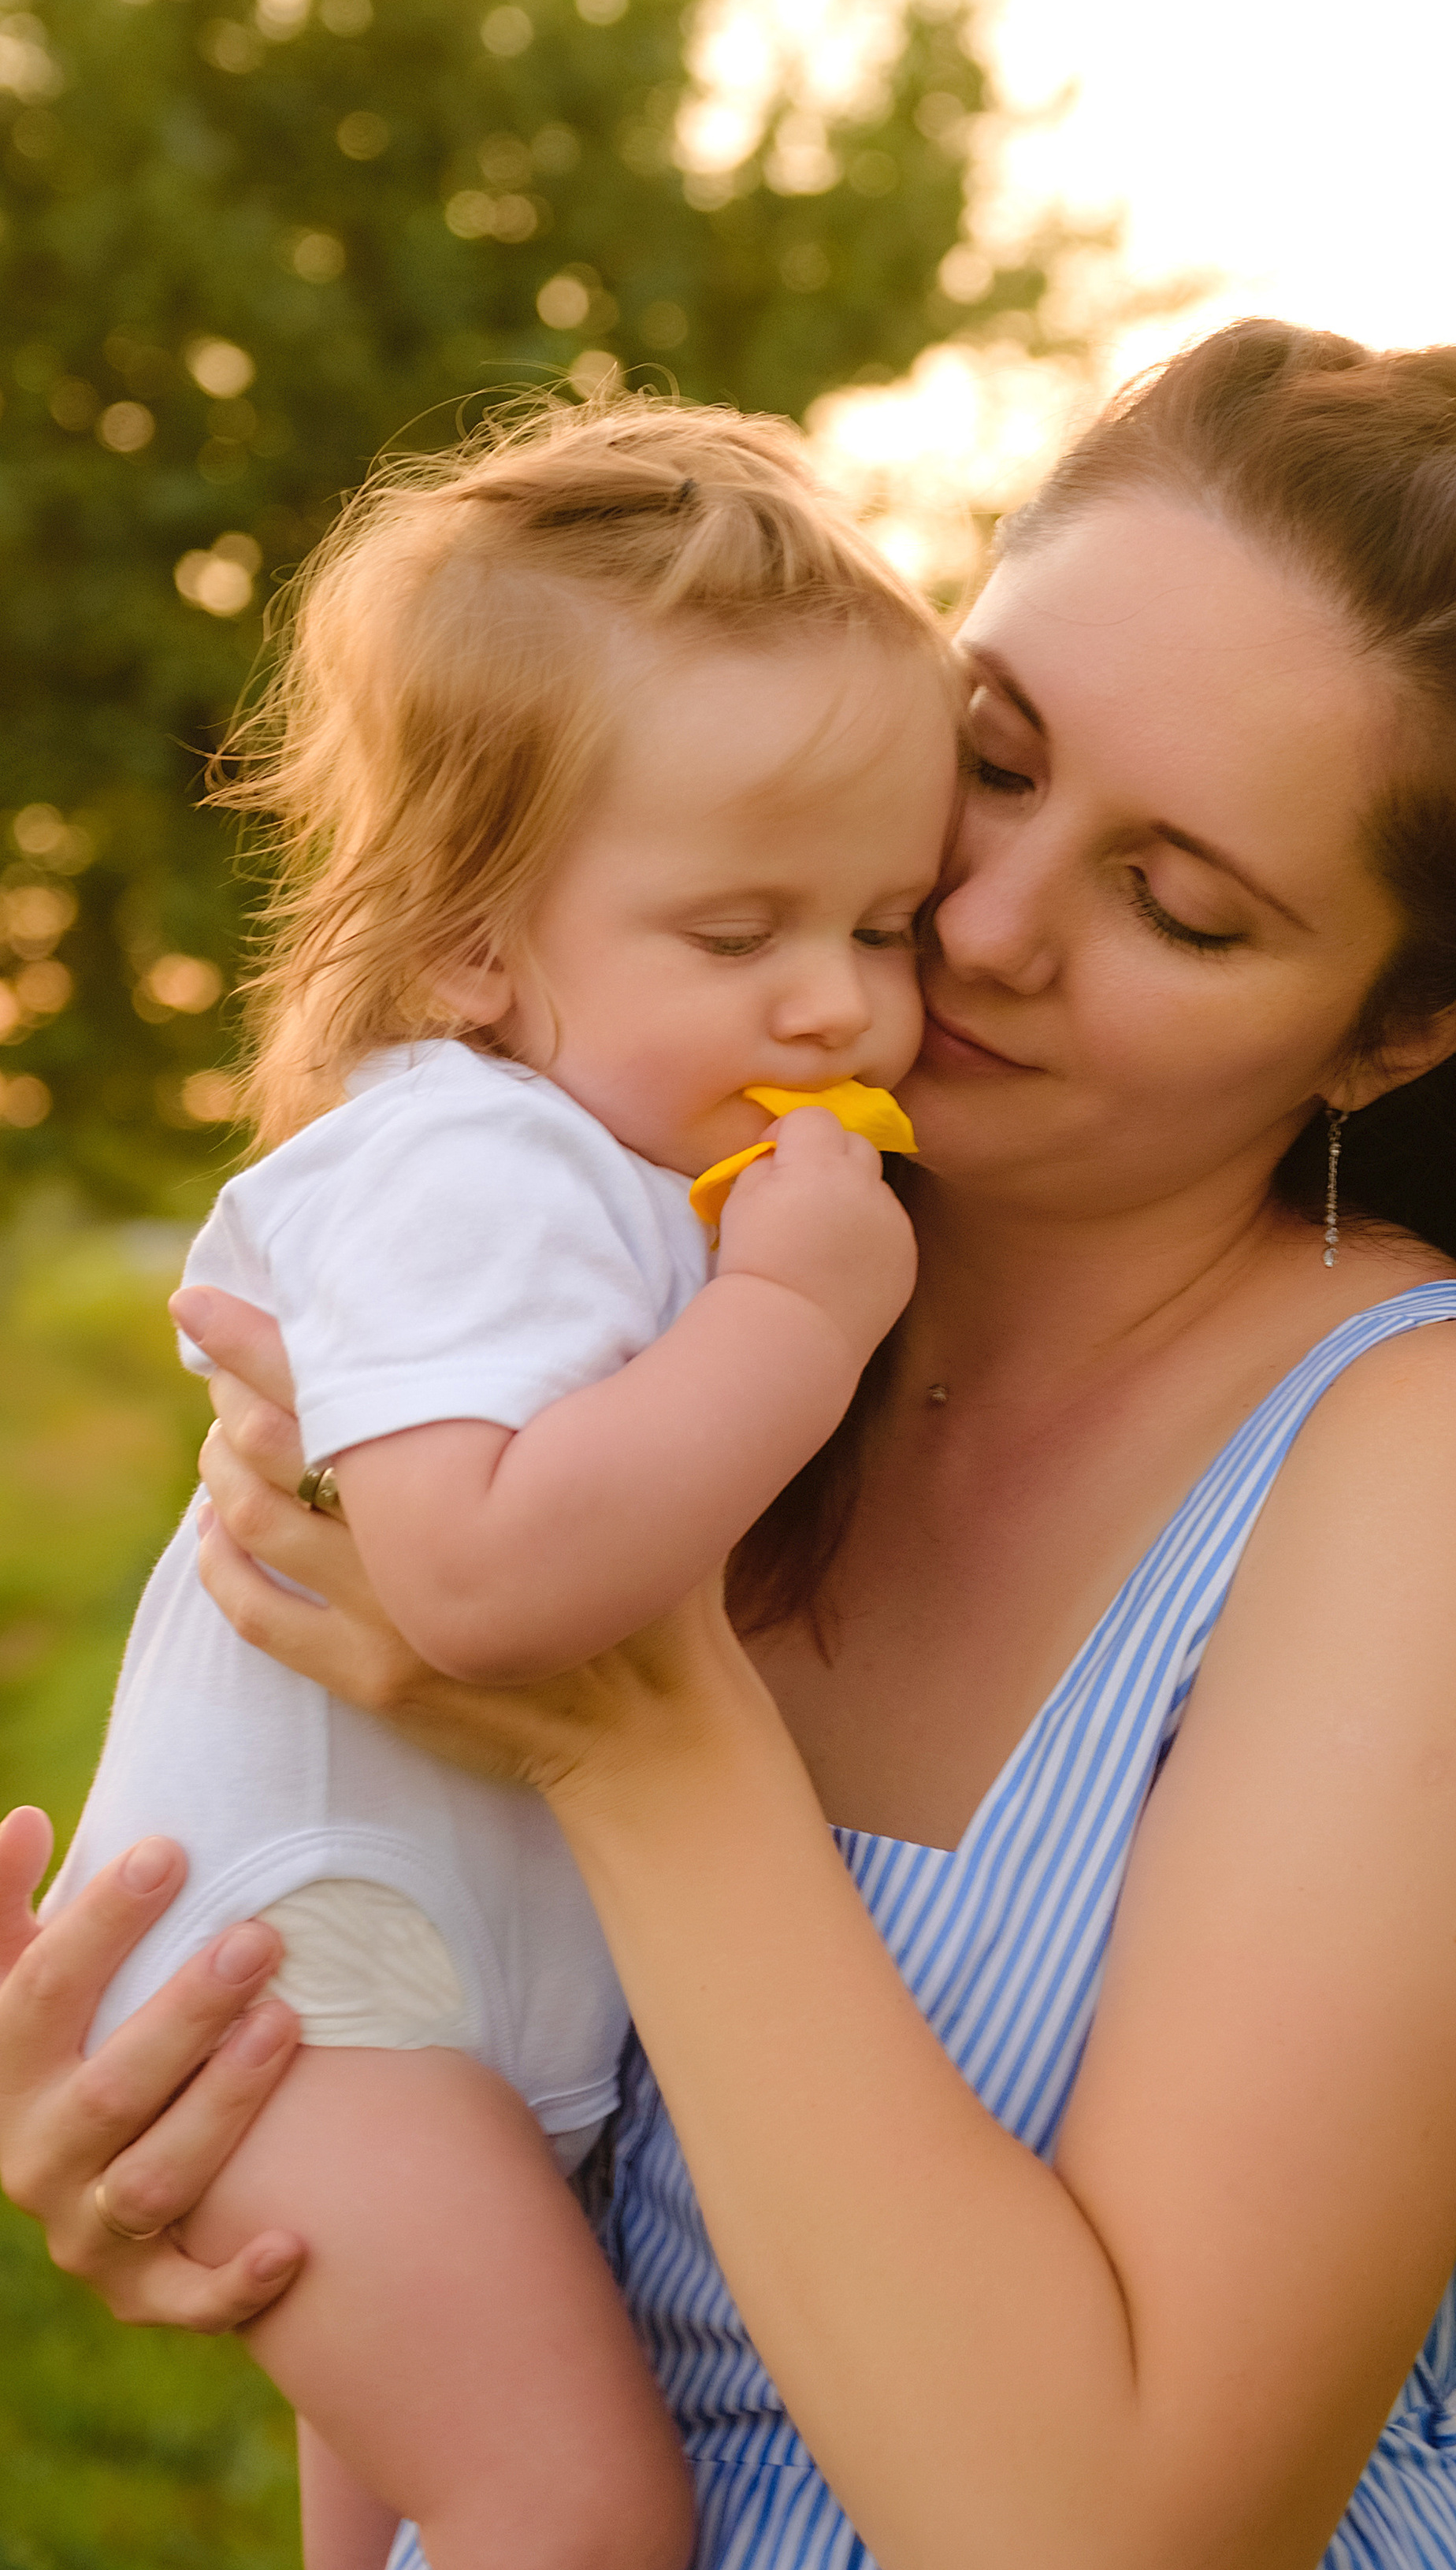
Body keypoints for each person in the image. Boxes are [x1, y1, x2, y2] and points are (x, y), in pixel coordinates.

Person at [0, 324, 1456, 2570]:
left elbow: (1113, 2531)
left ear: (1400, 1029)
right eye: (991, 767)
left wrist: (635, 1734)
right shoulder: (659, 1279)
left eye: (1179, 907)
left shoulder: (1432, 1471)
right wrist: (230, 2145)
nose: (983, 932)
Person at [38, 395, 957, 2570]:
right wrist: (799, 1326)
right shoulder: (472, 1161)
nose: (835, 1003)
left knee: (430, 2533)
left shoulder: (628, 1159)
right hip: (316, 1989)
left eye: (890, 921)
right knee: (569, 2509)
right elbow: (465, 1576)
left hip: (431, 2002)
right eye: (738, 937)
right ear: (474, 946)